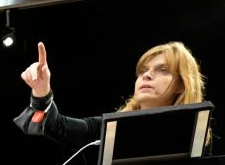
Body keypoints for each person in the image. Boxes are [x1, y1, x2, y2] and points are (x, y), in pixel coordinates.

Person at [14, 40, 207, 149]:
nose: (147, 75)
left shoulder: (196, 136)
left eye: (163, 70)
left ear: (182, 85)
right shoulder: (109, 129)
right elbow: (59, 126)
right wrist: (41, 91)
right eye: (143, 71)